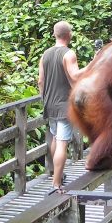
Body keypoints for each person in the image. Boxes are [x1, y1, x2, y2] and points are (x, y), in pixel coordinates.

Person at [38, 21, 82, 194]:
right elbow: (75, 75)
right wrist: (94, 63)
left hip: (50, 103)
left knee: (56, 138)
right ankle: (56, 183)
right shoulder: (68, 54)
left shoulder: (45, 54)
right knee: (62, 143)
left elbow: (40, 80)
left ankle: (57, 173)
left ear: (55, 34)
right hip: (64, 104)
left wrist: (44, 98)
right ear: (69, 34)